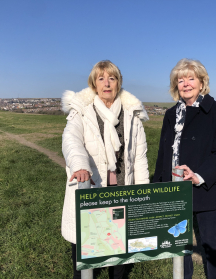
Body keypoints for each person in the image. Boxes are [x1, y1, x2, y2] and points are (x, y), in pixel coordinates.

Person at [61, 60, 149, 279]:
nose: (107, 83)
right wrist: (80, 166)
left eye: (112, 78)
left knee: (118, 250)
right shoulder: (82, 111)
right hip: (91, 189)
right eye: (101, 78)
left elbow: (139, 157)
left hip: (121, 191)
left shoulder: (131, 114)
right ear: (94, 84)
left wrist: (142, 193)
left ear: (118, 83)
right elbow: (71, 140)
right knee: (84, 252)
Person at [153, 58, 216, 279]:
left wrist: (199, 176)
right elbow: (163, 153)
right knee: (180, 244)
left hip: (206, 189)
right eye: (181, 80)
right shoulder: (171, 115)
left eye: (191, 78)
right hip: (175, 189)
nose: (186, 84)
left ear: (202, 83)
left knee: (210, 241)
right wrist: (157, 186)